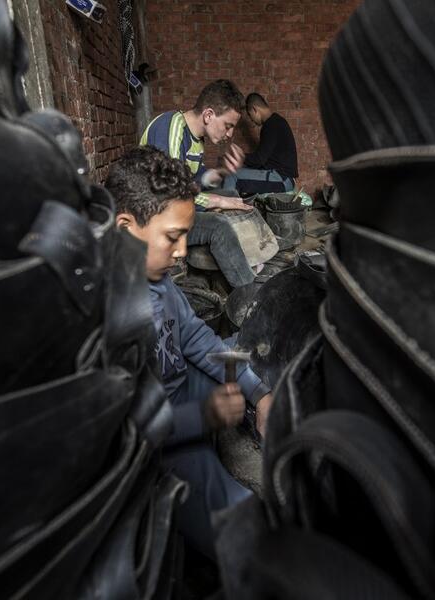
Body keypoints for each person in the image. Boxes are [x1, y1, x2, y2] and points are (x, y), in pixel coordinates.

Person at [105, 145, 273, 559]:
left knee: (244, 354)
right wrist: (203, 417)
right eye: (173, 237)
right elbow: (124, 434)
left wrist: (258, 393)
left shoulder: (158, 281)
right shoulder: (107, 311)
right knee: (247, 528)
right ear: (126, 227)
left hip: (181, 399)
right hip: (159, 437)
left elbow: (196, 338)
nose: (182, 251)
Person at [140, 79, 257, 288]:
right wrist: (216, 201)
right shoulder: (171, 126)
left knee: (231, 195)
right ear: (208, 115)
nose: (229, 134)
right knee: (219, 227)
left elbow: (194, 179)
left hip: (174, 211)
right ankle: (251, 296)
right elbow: (170, 193)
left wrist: (222, 172)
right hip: (156, 218)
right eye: (228, 126)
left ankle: (248, 258)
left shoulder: (197, 139)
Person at [222, 92, 299, 195]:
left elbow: (259, 160)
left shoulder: (271, 125)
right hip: (279, 176)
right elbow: (263, 159)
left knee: (231, 175)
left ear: (254, 110)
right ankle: (235, 204)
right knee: (234, 170)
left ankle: (228, 209)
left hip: (283, 179)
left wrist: (240, 156)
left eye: (250, 115)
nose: (252, 120)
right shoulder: (276, 122)